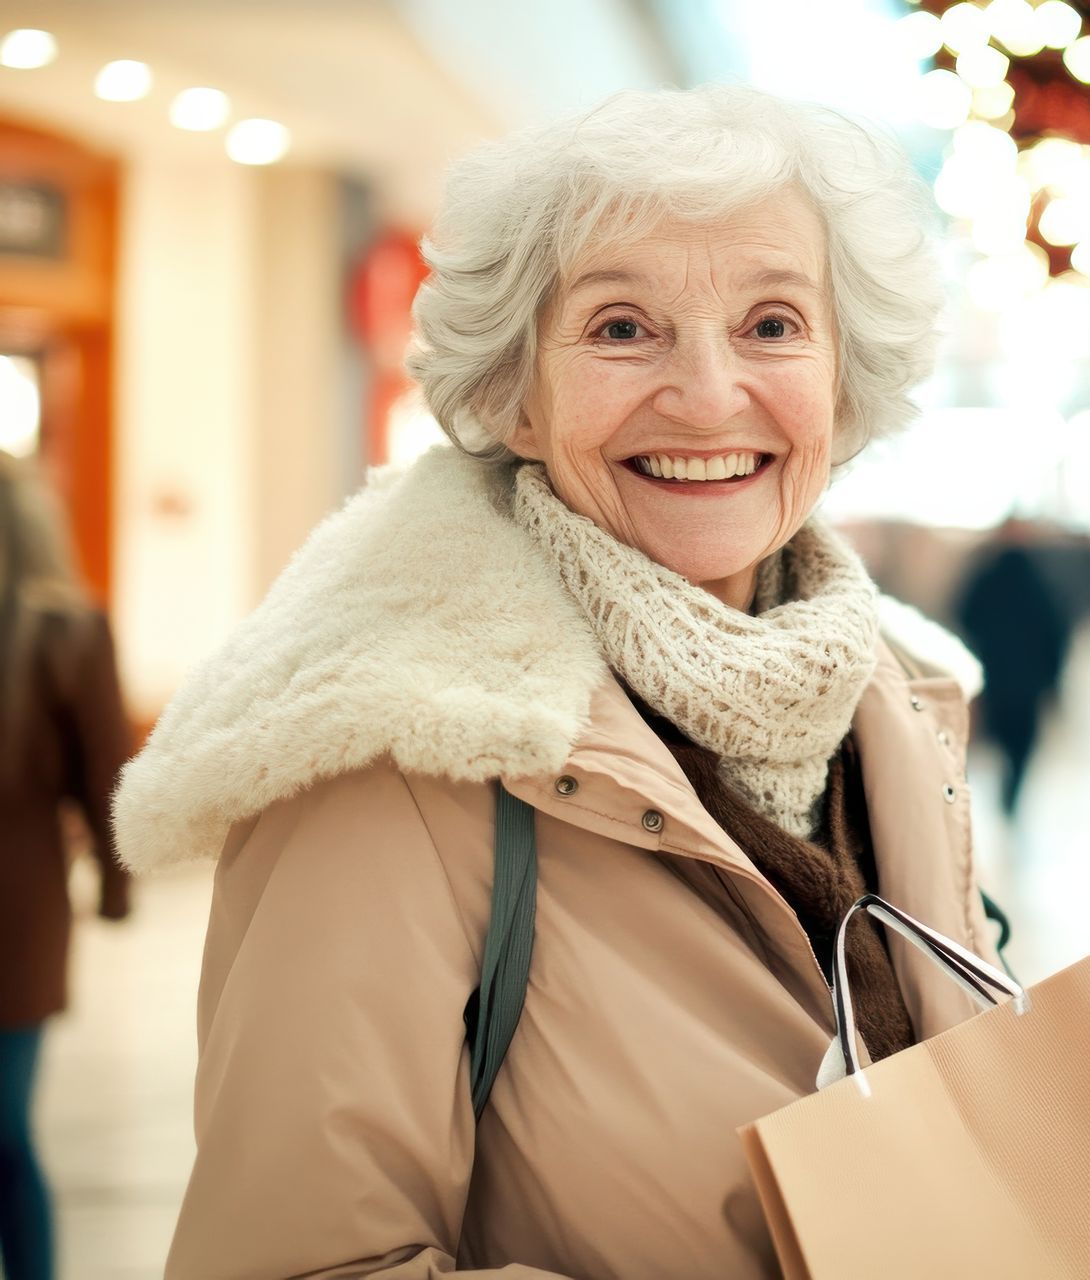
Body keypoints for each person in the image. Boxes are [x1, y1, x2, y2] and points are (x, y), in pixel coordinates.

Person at [113, 87, 1000, 1277]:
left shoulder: (898, 701)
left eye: (774, 324)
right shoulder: (398, 752)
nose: (706, 392)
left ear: (844, 385)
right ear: (514, 394)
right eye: (622, 327)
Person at [0, 453, 132, 1280]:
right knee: (7, 1134)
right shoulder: (68, 631)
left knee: (6, 1133)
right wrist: (116, 893)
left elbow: (105, 780)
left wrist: (117, 888)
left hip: (18, 916)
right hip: (23, 913)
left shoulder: (62, 634)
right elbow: (108, 780)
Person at [955, 519, 1071, 817]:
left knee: (991, 739)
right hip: (1028, 683)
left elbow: (965, 615)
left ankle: (993, 797)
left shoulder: (986, 575)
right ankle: (1011, 797)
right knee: (1021, 745)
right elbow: (1056, 633)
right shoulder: (1041, 579)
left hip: (992, 676)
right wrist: (1053, 678)